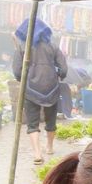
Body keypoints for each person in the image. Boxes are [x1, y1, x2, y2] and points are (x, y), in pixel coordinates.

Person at [12, 18, 67, 165]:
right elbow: (64, 69)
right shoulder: (53, 46)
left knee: (33, 123)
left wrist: (23, 79)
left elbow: (17, 72)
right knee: (51, 120)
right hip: (52, 89)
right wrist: (58, 75)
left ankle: (37, 153)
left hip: (30, 90)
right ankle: (49, 147)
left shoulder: (22, 47)